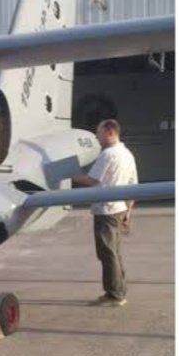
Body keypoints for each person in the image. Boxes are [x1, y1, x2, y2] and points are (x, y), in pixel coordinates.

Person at [70, 118, 137, 307]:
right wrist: (128, 212)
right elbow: (133, 185)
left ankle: (114, 295)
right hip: (118, 209)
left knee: (107, 254)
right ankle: (118, 291)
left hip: (106, 210)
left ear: (110, 132)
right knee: (114, 252)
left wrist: (68, 174)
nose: (97, 137)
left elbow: (92, 180)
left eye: (98, 133)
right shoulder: (127, 154)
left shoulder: (107, 154)